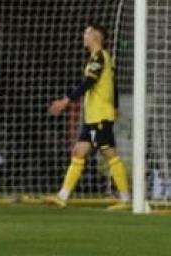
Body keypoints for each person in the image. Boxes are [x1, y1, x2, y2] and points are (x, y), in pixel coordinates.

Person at [47, 23, 130, 210]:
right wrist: (115, 105)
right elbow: (113, 84)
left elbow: (88, 82)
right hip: (93, 117)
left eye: (86, 32)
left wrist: (65, 101)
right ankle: (62, 196)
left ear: (96, 36)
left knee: (109, 154)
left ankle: (126, 199)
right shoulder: (102, 57)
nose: (83, 36)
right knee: (79, 151)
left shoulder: (99, 57)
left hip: (99, 117)